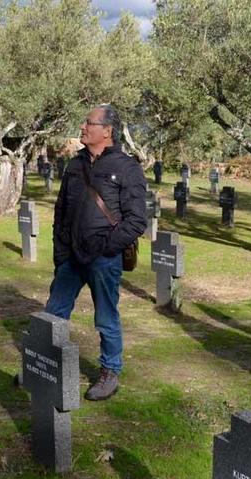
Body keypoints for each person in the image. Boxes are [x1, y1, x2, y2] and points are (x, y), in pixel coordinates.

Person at [45, 104, 146, 401]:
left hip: (103, 259)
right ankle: (43, 362)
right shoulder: (75, 165)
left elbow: (136, 220)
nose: (83, 127)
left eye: (89, 123)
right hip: (71, 258)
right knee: (54, 312)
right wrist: (61, 252)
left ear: (107, 131)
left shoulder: (127, 167)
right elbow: (61, 210)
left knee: (105, 317)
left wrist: (106, 247)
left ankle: (109, 372)